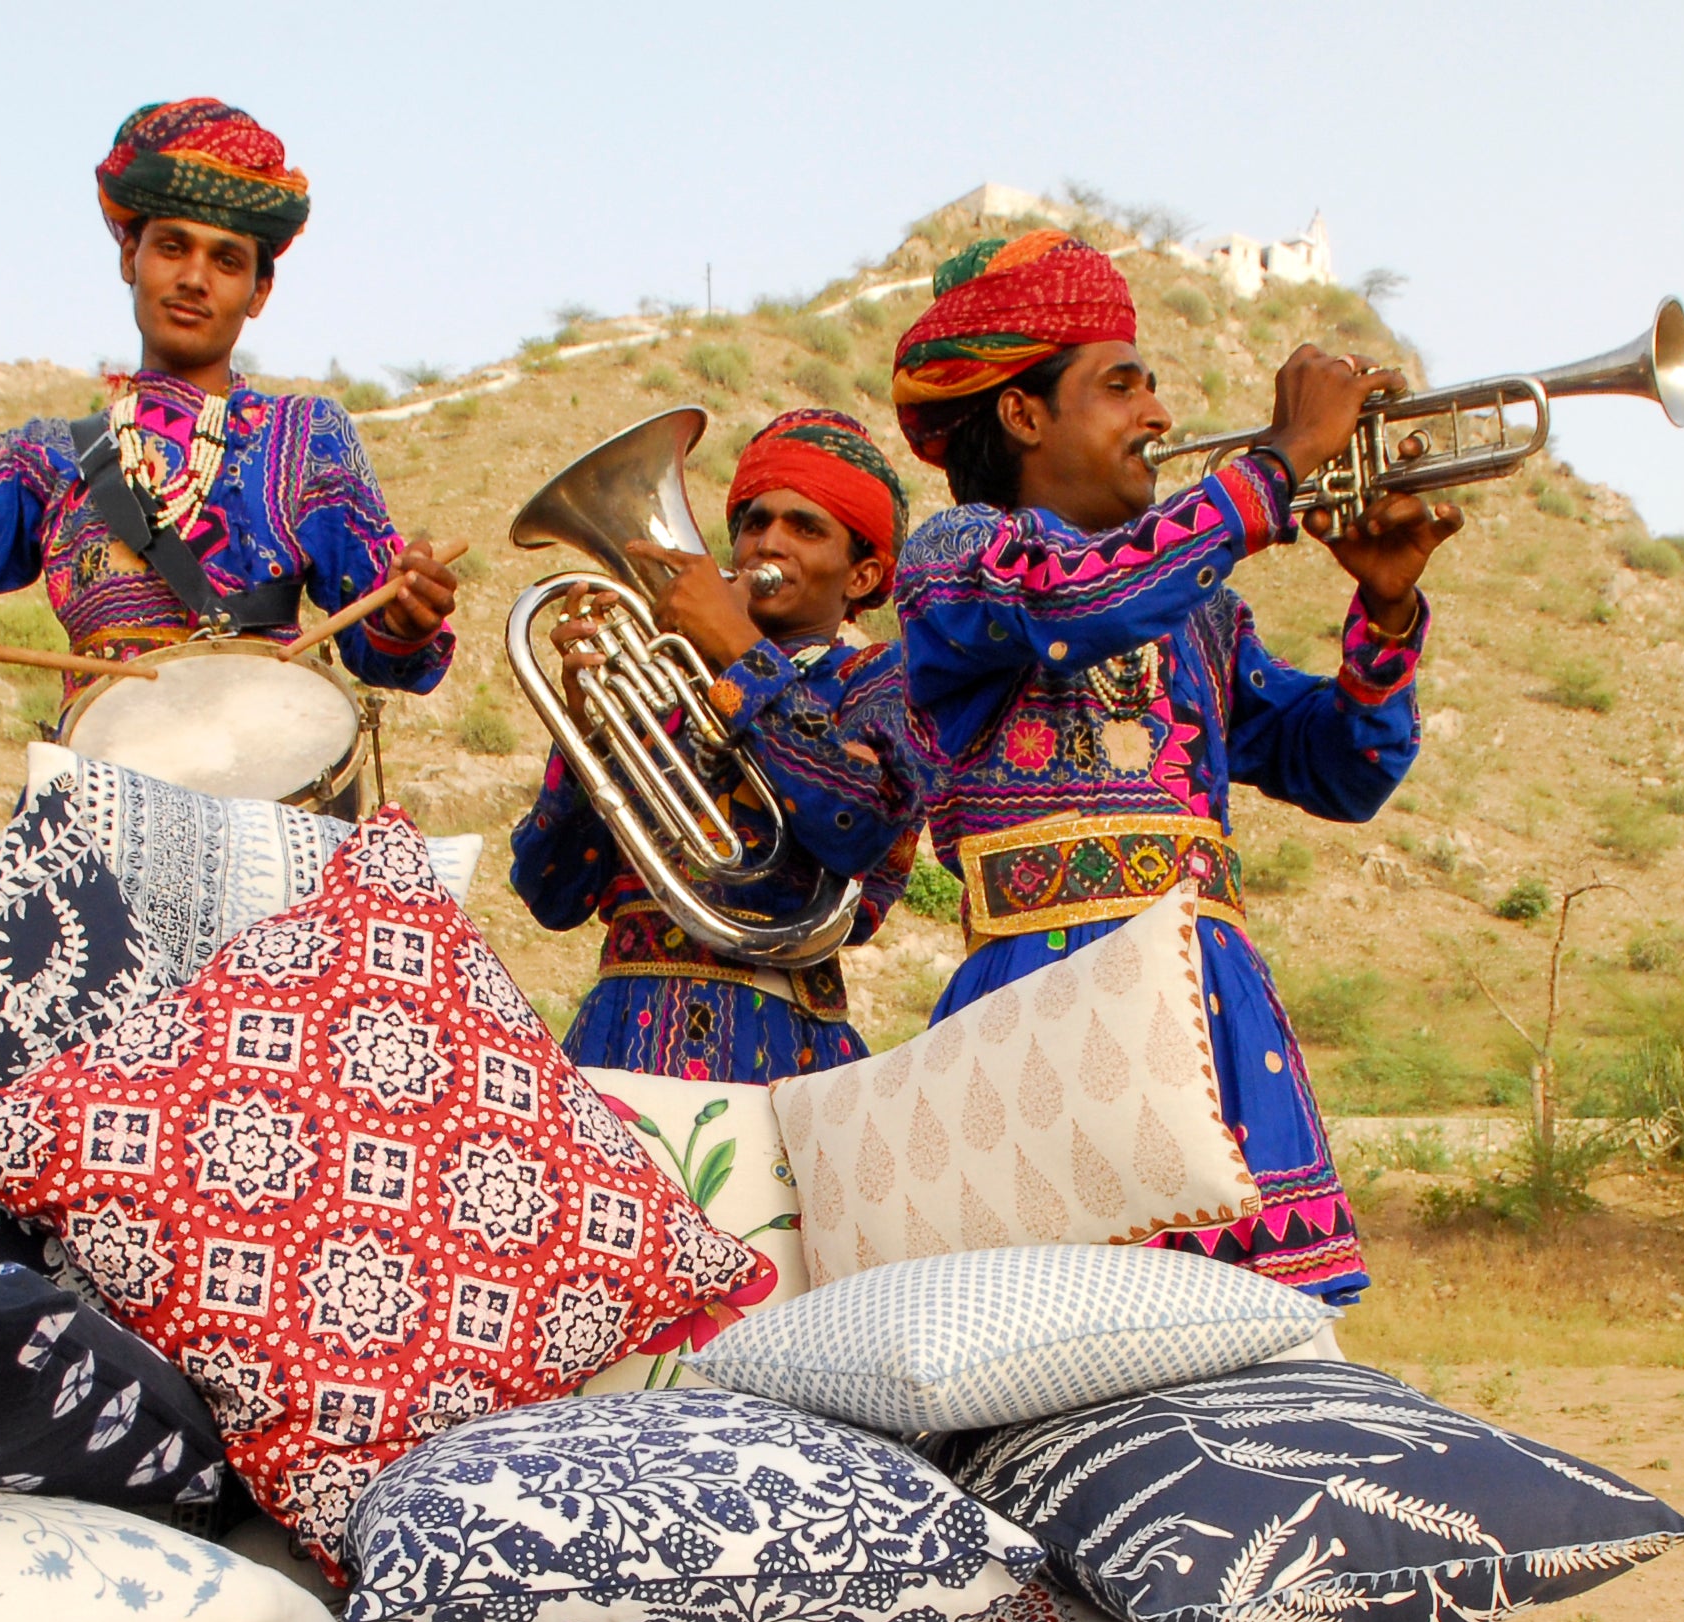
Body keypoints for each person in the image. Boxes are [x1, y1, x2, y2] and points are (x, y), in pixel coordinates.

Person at [886, 230, 1461, 1302]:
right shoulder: (952, 556)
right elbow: (1069, 601)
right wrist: (1277, 463)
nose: (1158, 415)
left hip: (1213, 1015)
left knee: (1255, 1355)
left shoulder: (1201, 608)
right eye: (1120, 385)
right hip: (1043, 1010)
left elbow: (1342, 770)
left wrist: (1384, 610)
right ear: (1021, 414)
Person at [0, 98, 457, 708]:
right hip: (101, 788)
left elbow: (388, 650)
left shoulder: (308, 437)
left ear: (259, 292)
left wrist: (407, 618)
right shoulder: (45, 457)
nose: (195, 278)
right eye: (173, 247)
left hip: (270, 774)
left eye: (227, 261)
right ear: (129, 258)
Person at [510, 407, 927, 1080]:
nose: (768, 542)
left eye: (806, 528)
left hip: (778, 1044)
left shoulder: (878, 677)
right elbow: (550, 894)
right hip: (617, 1041)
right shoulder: (660, 685)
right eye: (754, 523)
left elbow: (858, 824)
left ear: (863, 577)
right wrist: (583, 728)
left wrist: (739, 650)